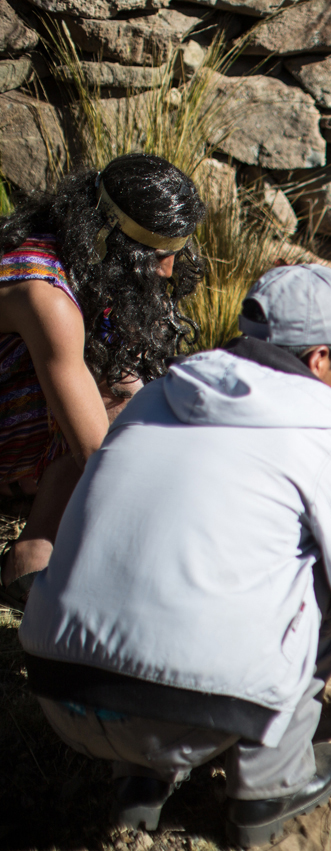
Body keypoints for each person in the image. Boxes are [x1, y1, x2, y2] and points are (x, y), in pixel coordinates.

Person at [19, 265, 331, 845]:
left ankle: (139, 785)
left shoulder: (157, 397)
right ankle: (267, 791)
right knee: (330, 573)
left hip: (59, 687)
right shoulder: (320, 437)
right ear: (317, 359)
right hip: (187, 709)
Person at [0, 153, 205, 610]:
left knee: (128, 395)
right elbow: (98, 454)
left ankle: (34, 548)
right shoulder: (46, 296)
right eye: (157, 256)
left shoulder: (83, 254)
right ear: (111, 237)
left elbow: (130, 384)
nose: (169, 271)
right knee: (116, 428)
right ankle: (36, 555)